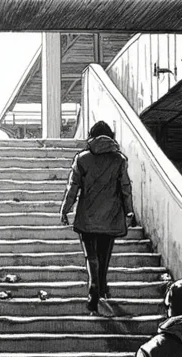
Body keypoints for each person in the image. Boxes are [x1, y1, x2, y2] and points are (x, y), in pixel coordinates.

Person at [61, 121, 136, 314]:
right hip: (111, 215)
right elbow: (125, 188)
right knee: (105, 254)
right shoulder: (119, 160)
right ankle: (103, 286)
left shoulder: (82, 159)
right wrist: (129, 210)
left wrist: (65, 209)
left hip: (87, 215)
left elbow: (73, 188)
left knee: (91, 255)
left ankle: (93, 286)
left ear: (91, 136)